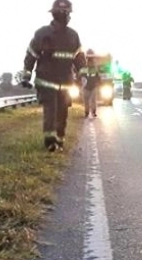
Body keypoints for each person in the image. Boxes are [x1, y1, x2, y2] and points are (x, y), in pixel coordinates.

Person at [19, 0, 85, 152]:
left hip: (66, 83)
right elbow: (31, 55)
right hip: (46, 81)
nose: (65, 16)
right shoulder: (42, 34)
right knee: (51, 111)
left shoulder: (73, 36)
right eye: (63, 13)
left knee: (62, 113)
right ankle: (50, 143)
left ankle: (59, 141)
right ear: (55, 14)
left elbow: (79, 58)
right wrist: (26, 76)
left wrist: (83, 75)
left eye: (66, 13)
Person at [79, 49, 101, 118]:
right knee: (88, 101)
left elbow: (98, 77)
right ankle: (88, 112)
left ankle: (91, 112)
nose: (91, 61)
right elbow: (79, 77)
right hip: (87, 87)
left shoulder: (93, 68)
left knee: (91, 100)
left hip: (90, 87)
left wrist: (99, 82)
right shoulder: (85, 68)